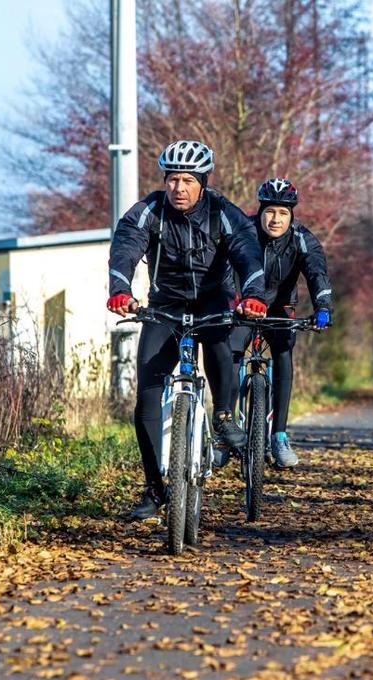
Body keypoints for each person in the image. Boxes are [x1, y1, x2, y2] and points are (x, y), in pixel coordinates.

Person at [107, 140, 267, 520]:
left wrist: (254, 295)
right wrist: (120, 289)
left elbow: (247, 252)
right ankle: (153, 490)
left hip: (213, 301)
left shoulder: (222, 212)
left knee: (218, 344)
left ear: (203, 182)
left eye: (187, 181)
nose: (179, 188)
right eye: (173, 180)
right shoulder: (150, 211)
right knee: (146, 396)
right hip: (165, 306)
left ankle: (225, 417)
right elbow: (125, 245)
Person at [224, 178, 333, 469]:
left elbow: (317, 274)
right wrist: (230, 302)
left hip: (280, 308)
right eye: (270, 211)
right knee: (232, 351)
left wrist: (323, 307)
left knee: (283, 352)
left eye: (283, 213)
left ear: (291, 215)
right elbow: (221, 268)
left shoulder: (302, 238)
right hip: (244, 305)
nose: (276, 219)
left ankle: (280, 435)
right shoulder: (242, 232)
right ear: (260, 212)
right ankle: (226, 430)